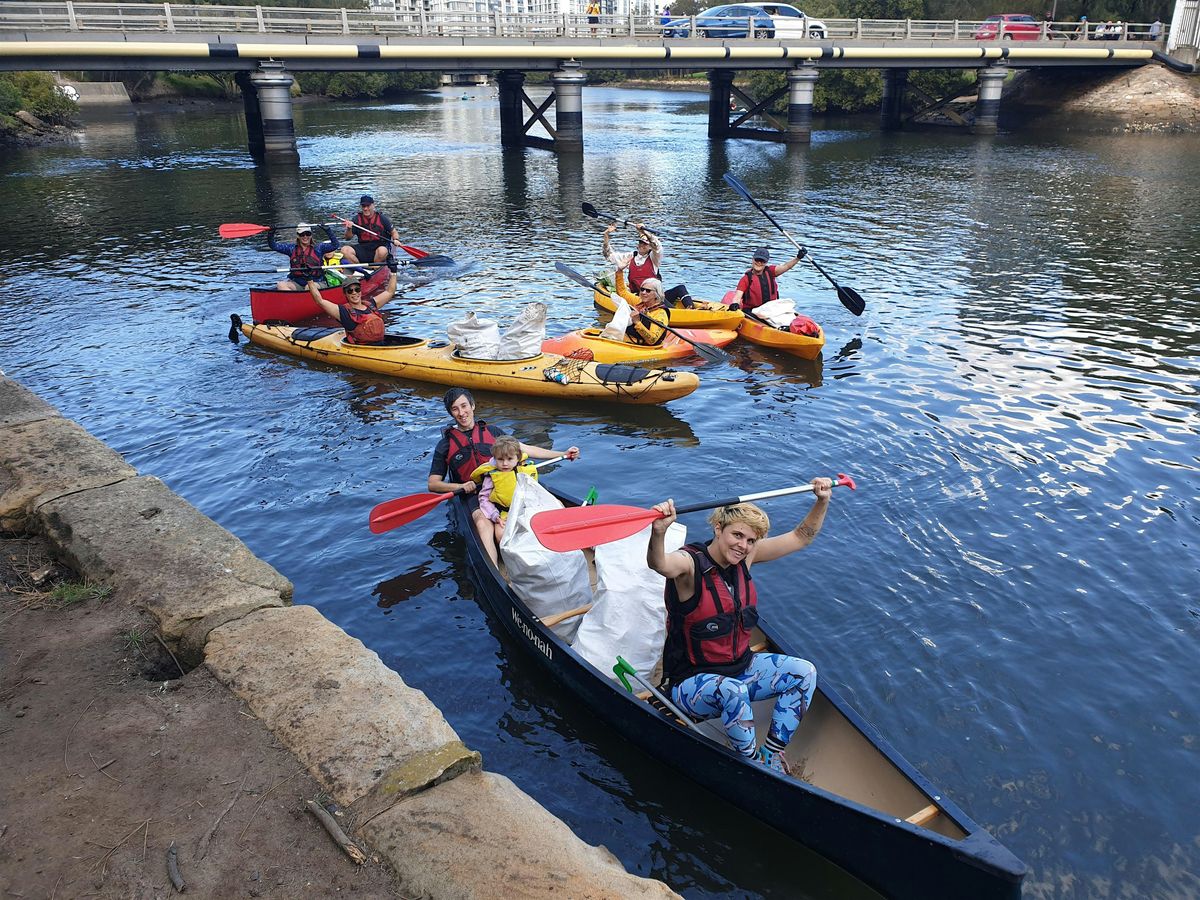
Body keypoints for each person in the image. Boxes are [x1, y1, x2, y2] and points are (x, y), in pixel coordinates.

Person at [647, 477, 835, 774]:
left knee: (804, 672)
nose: (743, 546)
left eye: (750, 540)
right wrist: (659, 532)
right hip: (691, 686)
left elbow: (802, 537)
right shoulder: (688, 564)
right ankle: (751, 765)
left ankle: (772, 752)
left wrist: (821, 501)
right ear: (718, 529)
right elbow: (659, 564)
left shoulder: (746, 559)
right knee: (733, 692)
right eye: (737, 535)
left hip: (740, 668)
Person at [470, 435, 540, 565]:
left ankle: (536, 555)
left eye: (509, 459)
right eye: (500, 459)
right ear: (495, 459)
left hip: (525, 509)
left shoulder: (524, 469)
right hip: (504, 514)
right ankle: (510, 562)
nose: (505, 463)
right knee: (500, 534)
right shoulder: (491, 476)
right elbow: (484, 499)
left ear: (517, 458)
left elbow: (534, 492)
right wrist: (495, 516)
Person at [305, 268, 400, 345]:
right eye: (350, 291)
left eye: (357, 289)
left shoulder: (371, 305)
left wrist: (394, 272)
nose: (354, 293)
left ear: (360, 291)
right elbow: (320, 301)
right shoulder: (343, 312)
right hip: (364, 349)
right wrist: (310, 280)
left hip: (382, 345)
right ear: (345, 294)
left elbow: (389, 292)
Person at [728, 246, 805, 314]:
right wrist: (735, 304)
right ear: (753, 259)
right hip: (752, 311)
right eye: (757, 260)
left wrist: (798, 258)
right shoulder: (746, 279)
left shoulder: (771, 271)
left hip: (770, 308)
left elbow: (786, 266)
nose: (759, 263)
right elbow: (737, 297)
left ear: (766, 262)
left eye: (762, 261)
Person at [268, 223, 338, 291]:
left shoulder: (319, 248)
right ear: (298, 236)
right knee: (281, 285)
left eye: (308, 234)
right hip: (297, 283)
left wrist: (328, 230)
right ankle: (295, 302)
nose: (305, 237)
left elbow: (335, 245)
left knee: (309, 287)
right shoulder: (291, 249)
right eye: (302, 234)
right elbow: (273, 246)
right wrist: (271, 233)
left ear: (311, 235)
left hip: (317, 282)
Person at [340, 195, 401, 266]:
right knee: (344, 250)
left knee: (382, 251)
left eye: (368, 206)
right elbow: (348, 238)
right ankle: (360, 268)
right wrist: (349, 228)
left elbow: (394, 232)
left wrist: (396, 239)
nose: (365, 208)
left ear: (373, 206)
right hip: (363, 247)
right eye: (363, 206)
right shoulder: (356, 219)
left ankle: (375, 267)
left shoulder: (382, 218)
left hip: (379, 247)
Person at [611, 272, 669, 346]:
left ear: (656, 294)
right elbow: (622, 293)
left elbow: (652, 340)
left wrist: (637, 322)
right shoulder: (639, 301)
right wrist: (619, 271)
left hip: (643, 346)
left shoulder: (660, 314)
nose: (643, 292)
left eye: (648, 290)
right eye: (642, 289)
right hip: (630, 339)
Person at [603, 222, 663, 293]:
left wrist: (643, 231)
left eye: (645, 244)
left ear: (650, 247)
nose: (642, 245)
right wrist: (606, 235)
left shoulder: (654, 257)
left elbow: (657, 246)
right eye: (640, 243)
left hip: (652, 295)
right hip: (635, 295)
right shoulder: (630, 256)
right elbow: (608, 255)